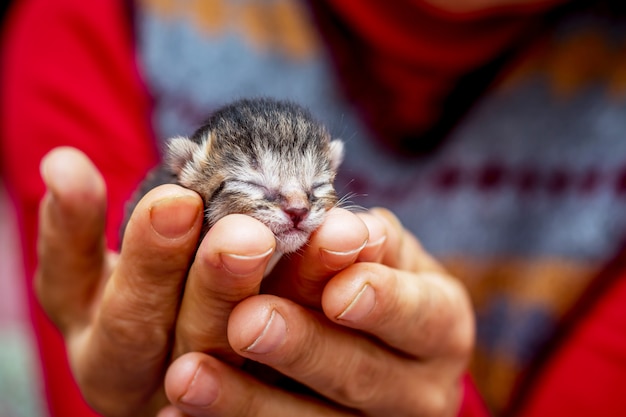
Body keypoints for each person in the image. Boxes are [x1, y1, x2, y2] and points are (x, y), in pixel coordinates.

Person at [1, 0, 625, 416]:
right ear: (187, 171)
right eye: (254, 184)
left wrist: (442, 401)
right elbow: (109, 352)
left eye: (314, 187)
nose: (298, 211)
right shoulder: (98, 22)